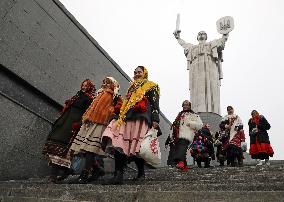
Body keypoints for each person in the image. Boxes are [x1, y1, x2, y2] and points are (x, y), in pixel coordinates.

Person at [101, 66, 160, 184]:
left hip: (141, 117)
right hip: (126, 117)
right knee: (119, 142)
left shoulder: (152, 86)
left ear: (145, 73)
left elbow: (154, 103)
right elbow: (127, 102)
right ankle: (118, 175)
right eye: (135, 72)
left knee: (137, 146)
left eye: (139, 72)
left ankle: (141, 173)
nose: (137, 74)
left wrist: (155, 119)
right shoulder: (131, 87)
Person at [69, 77, 122, 183]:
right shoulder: (99, 93)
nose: (105, 84)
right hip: (89, 122)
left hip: (100, 123)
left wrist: (106, 112)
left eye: (108, 82)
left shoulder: (115, 95)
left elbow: (118, 108)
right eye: (104, 82)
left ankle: (84, 175)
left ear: (113, 84)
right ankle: (97, 169)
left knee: (90, 149)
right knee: (82, 148)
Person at [42, 79, 95, 183]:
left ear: (90, 87)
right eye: (83, 85)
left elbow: (87, 114)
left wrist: (79, 123)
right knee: (54, 143)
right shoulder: (77, 95)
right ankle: (66, 170)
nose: (83, 87)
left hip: (72, 124)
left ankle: (54, 175)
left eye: (86, 86)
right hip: (64, 121)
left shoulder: (89, 99)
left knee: (62, 147)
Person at [174, 30, 228, 114]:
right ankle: (197, 111)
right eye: (199, 34)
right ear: (197, 37)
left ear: (206, 36)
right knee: (197, 92)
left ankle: (212, 111)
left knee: (212, 90)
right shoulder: (192, 48)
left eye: (203, 33)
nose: (201, 35)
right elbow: (184, 44)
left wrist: (225, 34)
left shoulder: (212, 44)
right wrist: (178, 38)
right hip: (196, 73)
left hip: (211, 71)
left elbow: (221, 42)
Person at [171, 100, 203, 171]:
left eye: (187, 105)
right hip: (178, 135)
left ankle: (180, 162)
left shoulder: (194, 114)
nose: (185, 106)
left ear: (189, 106)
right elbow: (175, 125)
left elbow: (200, 125)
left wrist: (190, 123)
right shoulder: (180, 114)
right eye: (184, 105)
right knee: (180, 148)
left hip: (187, 134)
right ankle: (184, 167)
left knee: (182, 146)